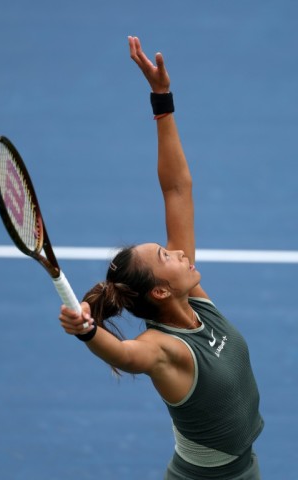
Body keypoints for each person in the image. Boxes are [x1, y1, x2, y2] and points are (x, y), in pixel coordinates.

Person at [59, 36, 264, 480]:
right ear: (159, 289)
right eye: (166, 255)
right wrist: (88, 332)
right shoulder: (164, 349)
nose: (179, 252)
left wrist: (162, 101)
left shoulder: (190, 297)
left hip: (245, 469)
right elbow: (126, 355)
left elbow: (176, 190)